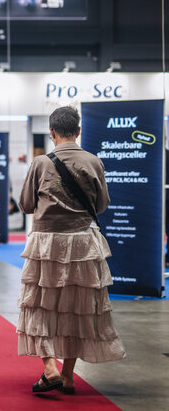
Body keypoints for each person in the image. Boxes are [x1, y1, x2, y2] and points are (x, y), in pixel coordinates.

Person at [17, 106, 125, 394]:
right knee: (79, 309)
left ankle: (49, 368)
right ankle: (67, 375)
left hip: (46, 243)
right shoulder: (93, 161)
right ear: (78, 131)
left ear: (51, 132)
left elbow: (26, 205)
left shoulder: (40, 163)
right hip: (83, 243)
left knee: (39, 305)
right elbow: (101, 204)